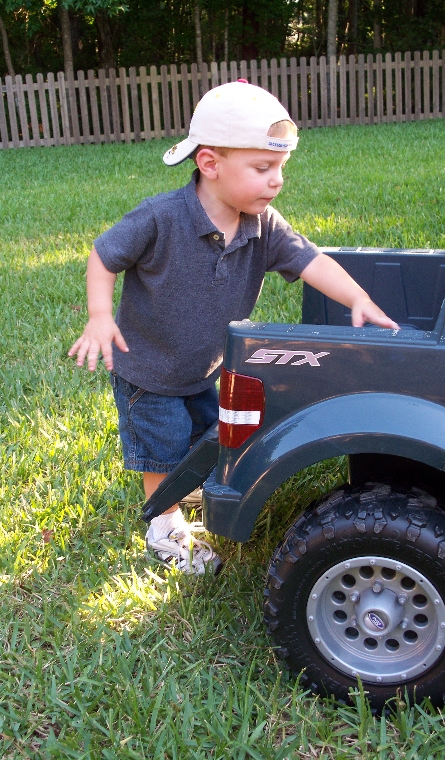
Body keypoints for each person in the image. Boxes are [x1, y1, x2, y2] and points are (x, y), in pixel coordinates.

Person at [68, 80, 398, 576]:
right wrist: (99, 315)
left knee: (208, 434)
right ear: (209, 164)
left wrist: (357, 298)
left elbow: (310, 260)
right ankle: (164, 525)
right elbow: (103, 255)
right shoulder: (161, 218)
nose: (277, 181)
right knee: (163, 449)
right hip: (150, 371)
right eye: (263, 168)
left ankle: (189, 488)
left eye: (281, 168)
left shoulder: (263, 225)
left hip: (207, 367)